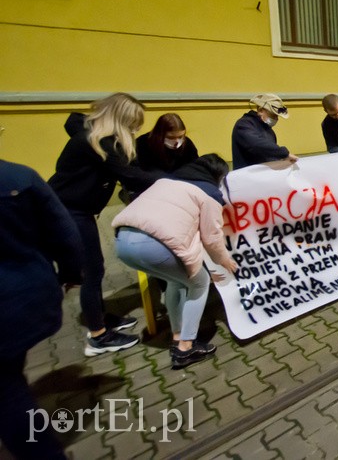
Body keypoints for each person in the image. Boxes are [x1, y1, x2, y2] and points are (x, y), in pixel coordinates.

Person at [48, 93, 162, 356]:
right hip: (69, 212)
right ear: (120, 119)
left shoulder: (95, 138)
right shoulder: (97, 142)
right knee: (92, 271)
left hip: (78, 210)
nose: (135, 129)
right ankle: (98, 337)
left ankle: (99, 317)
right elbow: (130, 175)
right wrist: (172, 181)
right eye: (133, 123)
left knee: (94, 268)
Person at [112, 154, 238, 369]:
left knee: (176, 282)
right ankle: (186, 348)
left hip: (123, 242)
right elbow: (212, 237)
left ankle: (177, 335)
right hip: (154, 246)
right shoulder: (208, 194)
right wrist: (224, 260)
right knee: (199, 283)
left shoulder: (166, 181)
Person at [1, 157, 83, 458]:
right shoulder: (19, 176)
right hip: (26, 296)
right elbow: (65, 233)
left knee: (8, 391)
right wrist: (72, 274)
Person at [231, 94, 297, 169]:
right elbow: (256, 145)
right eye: (273, 115)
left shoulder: (269, 130)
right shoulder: (243, 125)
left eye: (277, 116)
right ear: (260, 110)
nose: (276, 119)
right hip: (247, 178)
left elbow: (270, 155)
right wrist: (284, 153)